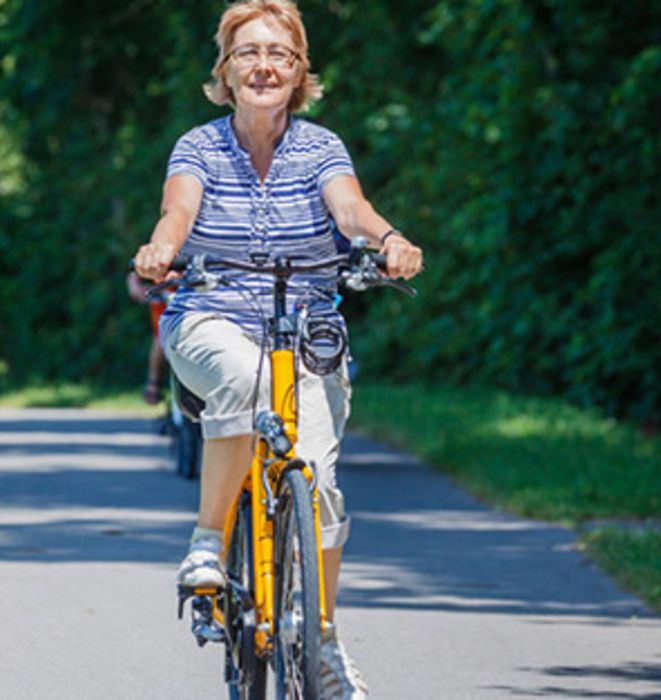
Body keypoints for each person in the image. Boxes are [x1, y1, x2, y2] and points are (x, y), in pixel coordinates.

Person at [130, 2, 424, 698]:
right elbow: (178, 212)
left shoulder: (321, 149)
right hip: (211, 318)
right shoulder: (197, 147)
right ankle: (207, 543)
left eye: (279, 56)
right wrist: (162, 249)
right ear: (225, 73)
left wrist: (386, 240)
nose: (263, 66)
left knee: (318, 490)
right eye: (247, 54)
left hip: (303, 330)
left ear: (298, 75)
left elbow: (349, 208)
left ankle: (318, 638)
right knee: (238, 378)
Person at [125, 271, 169, 404]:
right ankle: (154, 382)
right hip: (167, 297)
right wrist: (135, 286)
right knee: (162, 335)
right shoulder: (165, 249)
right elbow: (136, 271)